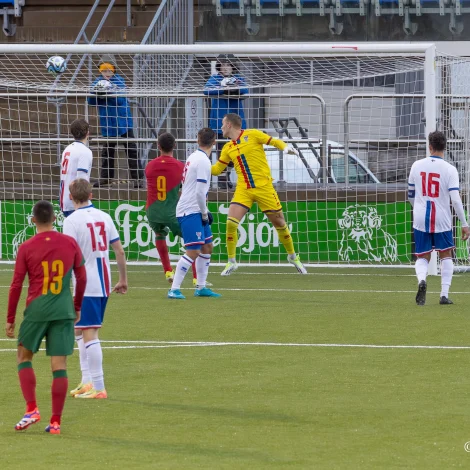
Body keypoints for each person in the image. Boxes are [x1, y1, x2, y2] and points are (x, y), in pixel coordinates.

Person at [6, 200, 87, 435]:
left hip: (37, 309)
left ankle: (32, 409)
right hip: (63, 310)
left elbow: (16, 285)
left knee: (23, 356)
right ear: (54, 219)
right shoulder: (69, 243)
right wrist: (77, 306)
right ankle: (55, 422)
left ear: (33, 221)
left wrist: (10, 317)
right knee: (59, 365)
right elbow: (81, 278)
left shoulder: (27, 247)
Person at [211, 113, 307, 276]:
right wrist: (197, 163)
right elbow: (216, 170)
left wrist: (285, 148)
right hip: (243, 190)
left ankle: (292, 256)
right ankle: (231, 262)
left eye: (222, 124)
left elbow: (274, 141)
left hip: (264, 187)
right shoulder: (227, 148)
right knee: (231, 223)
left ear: (229, 125)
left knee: (280, 224)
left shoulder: (253, 134)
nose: (220, 128)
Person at [63, 179, 128, 398]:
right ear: (91, 194)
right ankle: (87, 381)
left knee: (89, 332)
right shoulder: (105, 216)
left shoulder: (71, 221)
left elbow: (67, 257)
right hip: (104, 281)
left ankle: (99, 387)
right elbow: (119, 251)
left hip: (86, 285)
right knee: (79, 329)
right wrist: (123, 279)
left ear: (70, 197)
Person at [408, 130, 469, 306]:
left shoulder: (416, 165)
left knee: (422, 256)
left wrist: (418, 207)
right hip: (442, 217)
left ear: (430, 146)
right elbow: (456, 199)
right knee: (446, 254)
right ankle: (443, 294)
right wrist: (464, 224)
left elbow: (411, 195)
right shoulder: (450, 169)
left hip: (420, 217)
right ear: (445, 146)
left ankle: (422, 280)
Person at [145, 132, 210, 287]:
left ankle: (168, 270)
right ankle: (196, 278)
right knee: (194, 243)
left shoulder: (149, 166)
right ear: (175, 146)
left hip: (152, 211)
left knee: (159, 234)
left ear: (158, 146)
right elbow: (184, 189)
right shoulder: (180, 166)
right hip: (172, 211)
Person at [168, 128, 221, 299]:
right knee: (194, 250)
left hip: (194, 208)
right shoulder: (204, 161)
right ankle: (174, 289)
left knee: (207, 247)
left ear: (197, 141)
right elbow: (199, 192)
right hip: (191, 210)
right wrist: (205, 214)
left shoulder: (193, 157)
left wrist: (203, 211)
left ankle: (201, 287)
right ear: (214, 142)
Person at [88, 54, 143, 188]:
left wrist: (107, 92)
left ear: (114, 70)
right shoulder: (97, 82)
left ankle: (137, 178)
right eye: (103, 70)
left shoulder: (119, 81)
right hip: (108, 123)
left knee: (131, 149)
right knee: (107, 151)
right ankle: (106, 177)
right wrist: (97, 92)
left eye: (109, 70)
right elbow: (90, 101)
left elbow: (119, 100)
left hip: (123, 122)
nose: (107, 73)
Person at [204, 54, 248, 189]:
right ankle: (222, 179)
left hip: (236, 125)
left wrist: (234, 88)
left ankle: (231, 176)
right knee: (222, 152)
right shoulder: (215, 79)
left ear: (233, 66)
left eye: (228, 64)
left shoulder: (238, 79)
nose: (226, 67)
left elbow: (245, 90)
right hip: (219, 125)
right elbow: (206, 90)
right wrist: (223, 88)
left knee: (237, 152)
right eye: (223, 65)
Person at [59, 118, 93, 217]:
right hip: (76, 202)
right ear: (87, 133)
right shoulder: (85, 151)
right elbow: (81, 179)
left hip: (64, 199)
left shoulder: (67, 149)